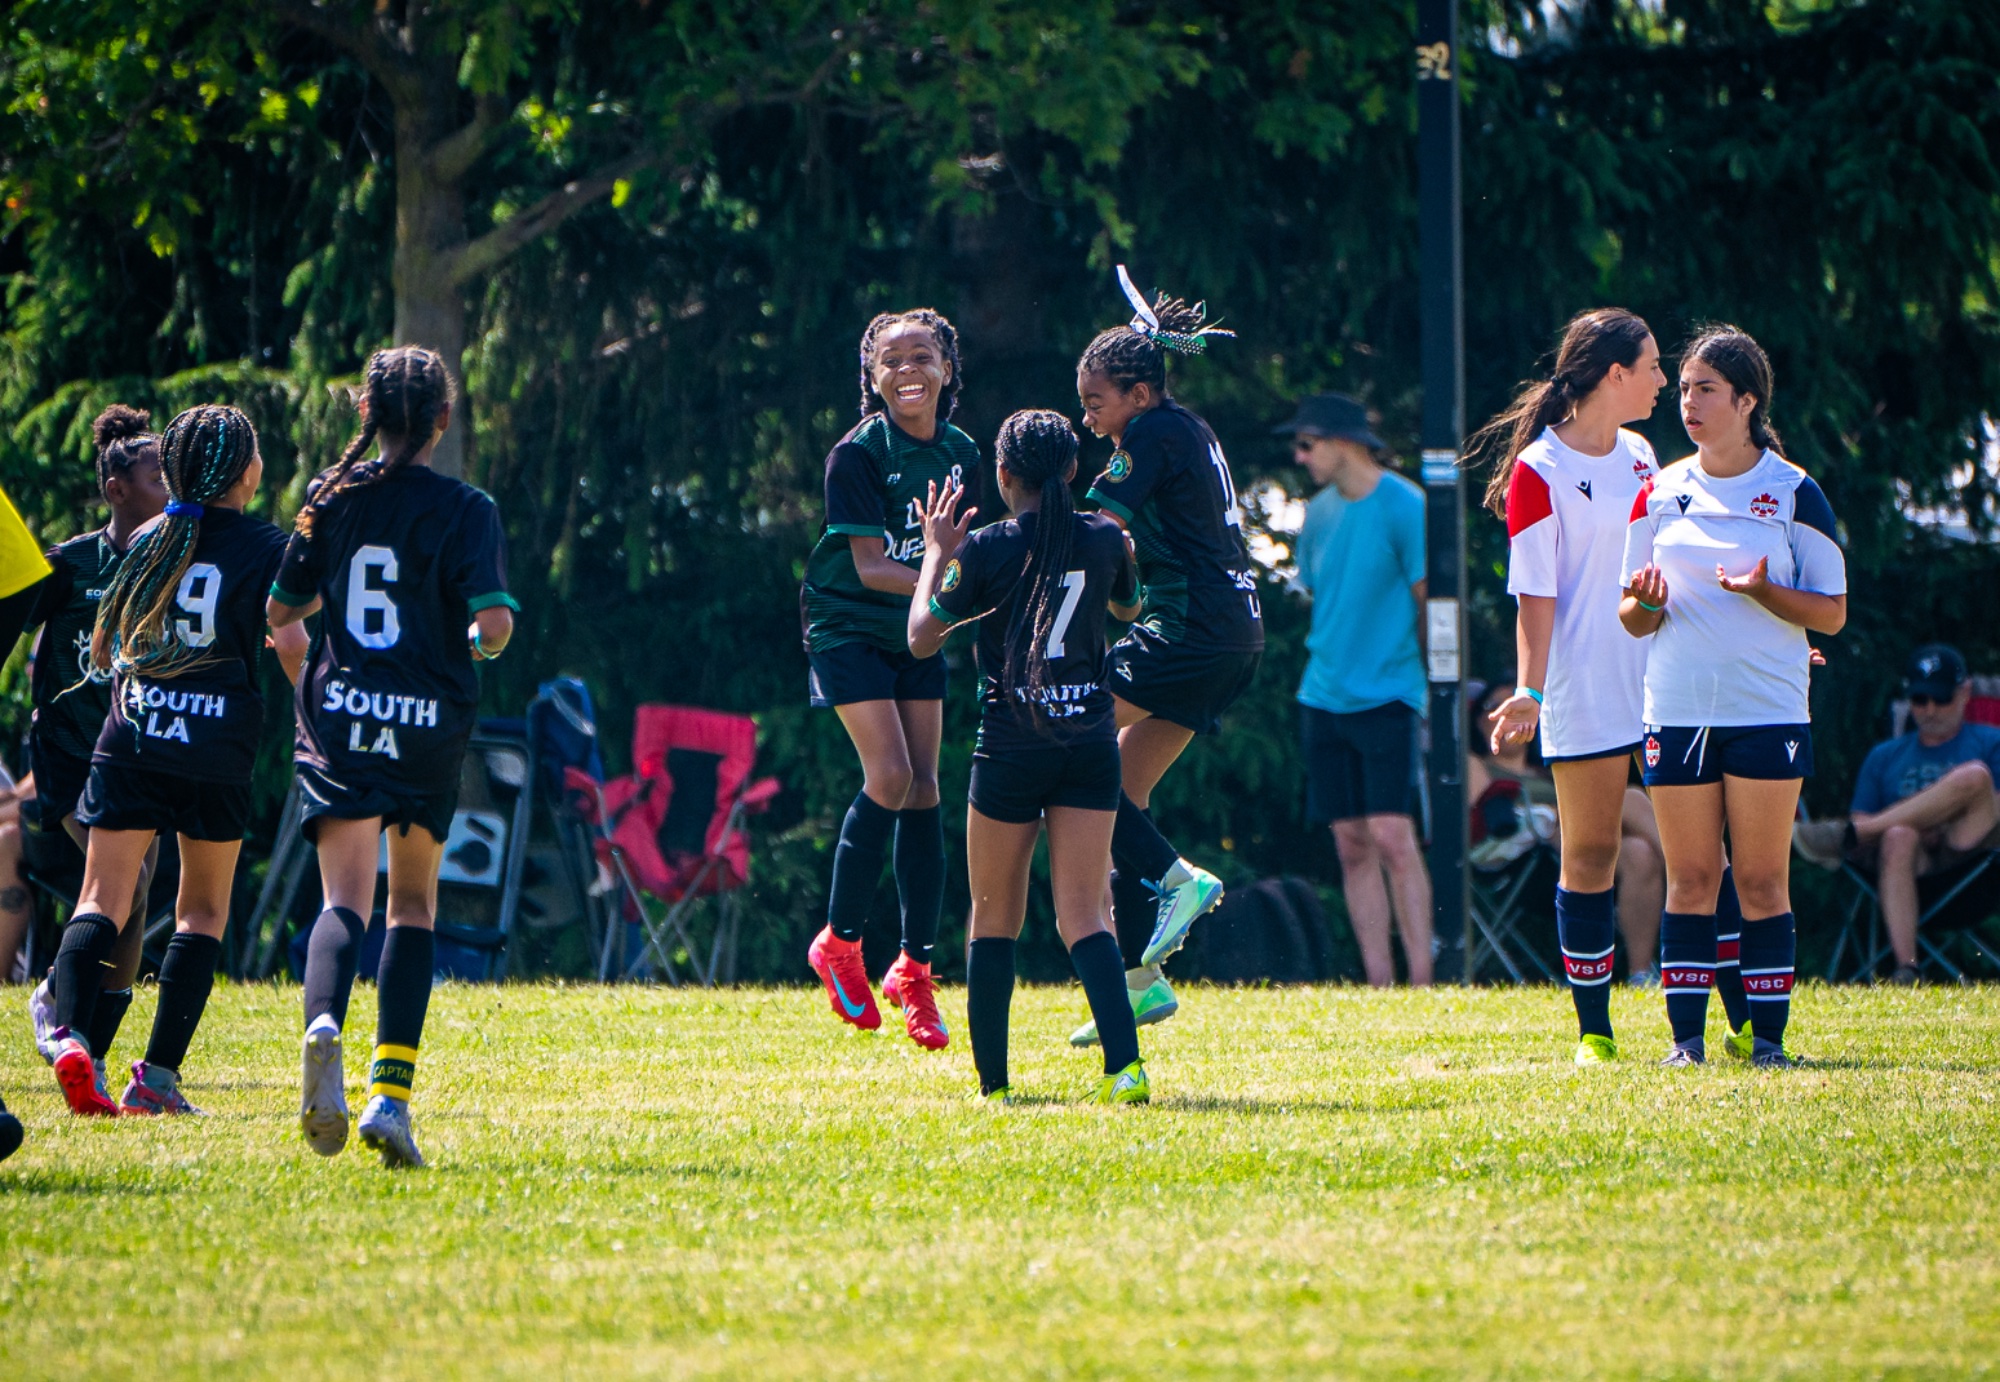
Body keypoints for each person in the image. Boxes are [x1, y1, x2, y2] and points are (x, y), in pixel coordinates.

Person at [268, 345, 515, 1169]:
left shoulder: (330, 498)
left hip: (343, 715)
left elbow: (282, 610)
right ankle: (389, 1098)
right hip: (427, 721)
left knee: (344, 899)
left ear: (368, 418)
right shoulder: (468, 507)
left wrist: (312, 677)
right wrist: (475, 648)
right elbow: (494, 625)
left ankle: (323, 1022)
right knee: (412, 905)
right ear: (444, 419)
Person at [44, 404, 303, 1117]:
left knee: (101, 898)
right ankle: (156, 1079)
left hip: (133, 739)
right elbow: (288, 641)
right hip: (216, 751)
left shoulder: (151, 536)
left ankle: (68, 1039)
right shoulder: (267, 546)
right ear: (247, 472)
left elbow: (104, 647)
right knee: (203, 911)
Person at [1621, 325, 1846, 1068]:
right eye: (1683, 387)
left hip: (1768, 711)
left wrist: (1766, 592)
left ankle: (1771, 1043)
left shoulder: (1793, 491)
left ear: (1747, 401)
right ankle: (1685, 1044)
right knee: (1690, 877)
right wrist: (1646, 604)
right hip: (1676, 709)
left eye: (1705, 390)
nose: (1688, 402)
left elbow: (1833, 612)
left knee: (1758, 878)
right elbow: (1630, 615)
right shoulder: (1658, 491)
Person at [908, 410, 1149, 1103]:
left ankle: (996, 1086)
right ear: (1073, 471)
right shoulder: (1106, 538)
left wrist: (935, 554)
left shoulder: (985, 549)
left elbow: (922, 638)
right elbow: (1132, 609)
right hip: (1089, 742)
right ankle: (1125, 1069)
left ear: (1004, 476)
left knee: (993, 915)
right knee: (1084, 915)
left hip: (1012, 746)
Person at [1068, 266, 1261, 1046]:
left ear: (1139, 394)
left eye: (1095, 403)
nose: (1088, 421)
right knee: (1118, 792)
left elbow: (1097, 524)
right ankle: (1137, 984)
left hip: (1191, 629)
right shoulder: (1190, 430)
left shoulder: (1147, 435)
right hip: (1233, 633)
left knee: (1071, 746)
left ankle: (1180, 878)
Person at [798, 309, 975, 1051]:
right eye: (891, 360)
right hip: (847, 624)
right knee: (893, 774)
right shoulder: (858, 454)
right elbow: (870, 567)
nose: (908, 369)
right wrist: (954, 591)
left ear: (946, 370)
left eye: (922, 356)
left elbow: (965, 555)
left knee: (928, 786)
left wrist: (963, 592)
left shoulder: (964, 452)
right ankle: (840, 943)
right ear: (873, 379)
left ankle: (914, 971)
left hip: (915, 628)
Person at [21, 407, 169, 1091]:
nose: (169, 487)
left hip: (139, 749)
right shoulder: (72, 563)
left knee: (136, 901)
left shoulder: (173, 560)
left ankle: (94, 1051)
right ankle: (56, 995)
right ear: (117, 490)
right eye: (155, 477)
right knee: (126, 881)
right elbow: (19, 637)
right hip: (71, 752)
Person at [1280, 392, 1433, 987]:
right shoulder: (1317, 513)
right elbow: (1319, 593)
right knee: (1349, 843)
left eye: (1307, 443)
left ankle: (1421, 980)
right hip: (1322, 694)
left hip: (1391, 693)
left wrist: (1424, 679)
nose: (1299, 456)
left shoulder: (1406, 504)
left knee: (1393, 836)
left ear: (1344, 442)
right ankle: (1379, 982)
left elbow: (1428, 605)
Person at [1794, 644, 2000, 982]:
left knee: (1975, 776)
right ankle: (1907, 969)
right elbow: (1861, 816)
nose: (1930, 709)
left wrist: (1937, 817)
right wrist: (1916, 821)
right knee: (1899, 834)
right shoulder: (1884, 756)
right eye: (1920, 699)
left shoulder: (1991, 742)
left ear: (1965, 693)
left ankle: (1839, 836)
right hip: (1908, 871)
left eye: (1941, 698)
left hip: (1973, 865)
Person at [1469, 682, 1668, 986]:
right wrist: (1555, 811)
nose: (1507, 714)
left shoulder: (1547, 769)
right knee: (1627, 797)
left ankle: (1640, 973)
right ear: (1478, 721)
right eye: (1495, 707)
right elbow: (1488, 814)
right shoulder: (1475, 764)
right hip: (1524, 856)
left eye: (1514, 704)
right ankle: (1694, 875)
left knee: (1640, 853)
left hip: (1574, 844)